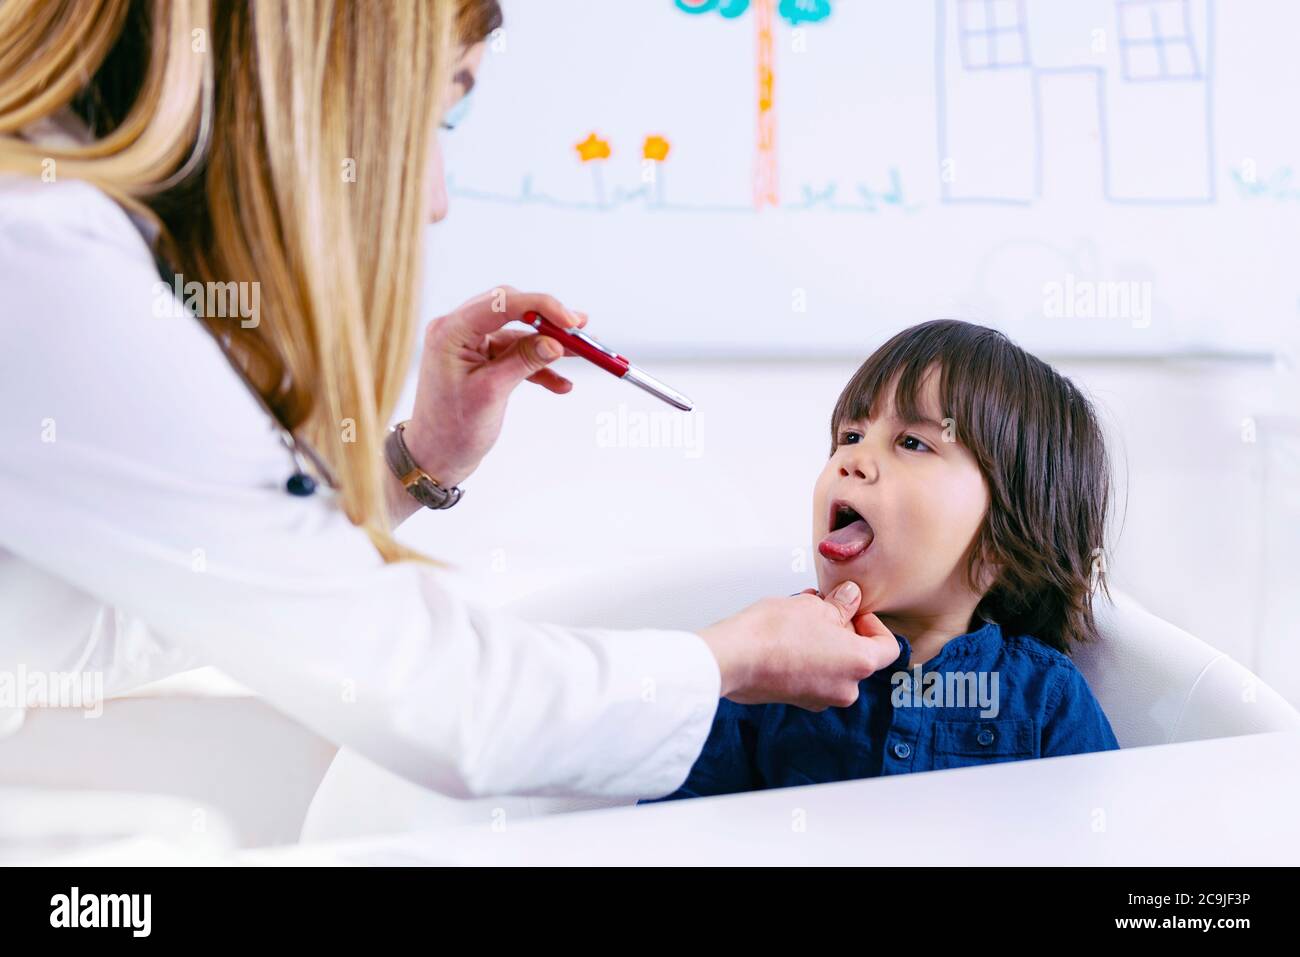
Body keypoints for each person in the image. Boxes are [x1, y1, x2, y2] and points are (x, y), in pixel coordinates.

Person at [0, 0, 896, 799]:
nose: (431, 198)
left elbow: (86, 622)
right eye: (437, 116)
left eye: (920, 444)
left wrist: (414, 462)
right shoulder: (45, 258)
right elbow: (443, 698)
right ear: (316, 76)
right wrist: (733, 657)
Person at [642, 320, 1121, 801]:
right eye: (850, 436)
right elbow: (672, 836)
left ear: (1004, 541)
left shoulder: (1047, 699)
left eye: (913, 443)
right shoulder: (773, 667)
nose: (852, 461)